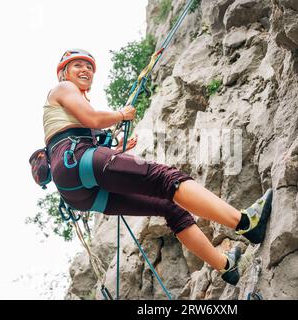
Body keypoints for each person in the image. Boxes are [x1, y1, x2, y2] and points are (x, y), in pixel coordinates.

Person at [43, 49, 273, 286]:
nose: (85, 70)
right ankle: (246, 222)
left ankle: (225, 266)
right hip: (78, 161)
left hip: (79, 192)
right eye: (77, 65)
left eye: (89, 67)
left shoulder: (68, 106)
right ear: (63, 74)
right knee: (166, 178)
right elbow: (93, 119)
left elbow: (83, 131)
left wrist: (115, 147)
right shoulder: (64, 89)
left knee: (169, 208)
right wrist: (121, 115)